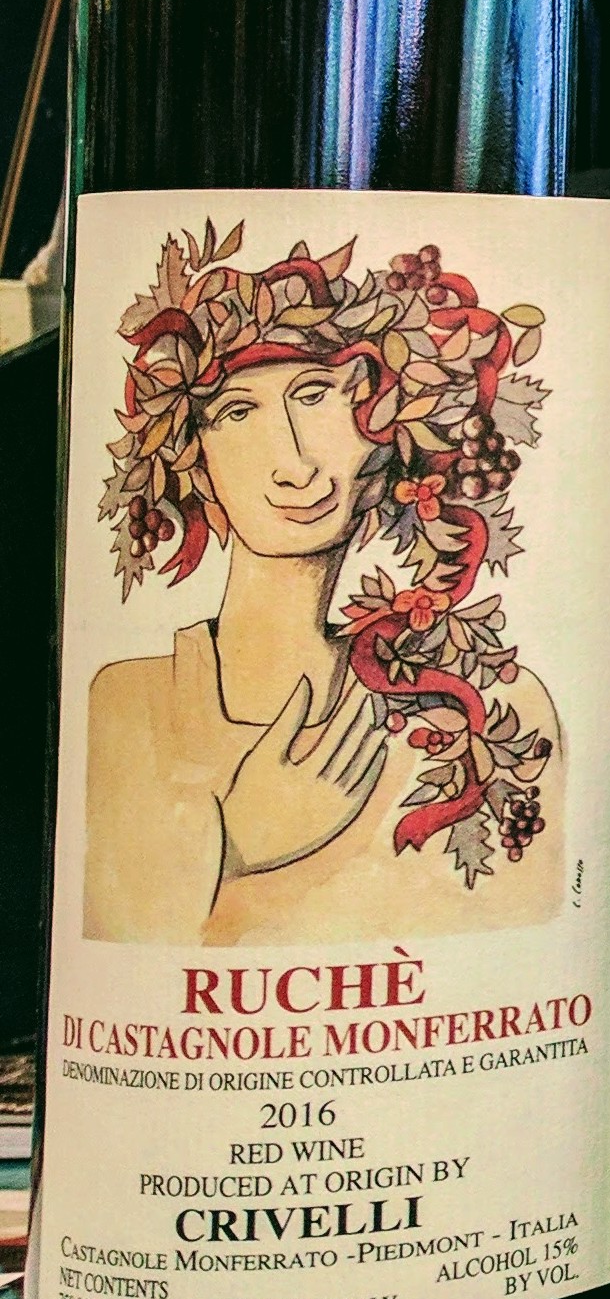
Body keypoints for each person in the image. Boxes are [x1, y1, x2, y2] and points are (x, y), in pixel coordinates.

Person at [82, 223, 564, 945]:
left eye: (315, 396)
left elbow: (521, 932)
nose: (294, 463)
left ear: (389, 434)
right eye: (237, 411)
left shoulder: (492, 710)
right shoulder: (124, 708)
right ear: (192, 460)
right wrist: (240, 841)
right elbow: (120, 952)